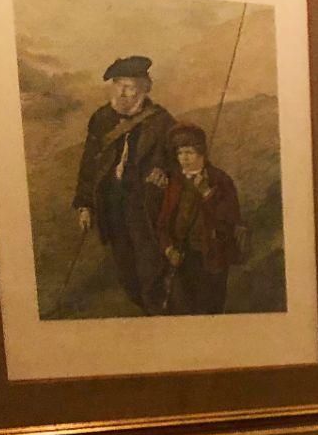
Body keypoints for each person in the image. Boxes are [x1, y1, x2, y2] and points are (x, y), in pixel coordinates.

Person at [72, 56, 176, 311]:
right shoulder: (101, 119)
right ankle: (144, 310)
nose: (123, 93)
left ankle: (159, 314)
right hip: (112, 205)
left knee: (150, 264)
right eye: (118, 85)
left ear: (145, 88)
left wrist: (163, 173)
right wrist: (85, 205)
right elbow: (89, 165)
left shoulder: (162, 122)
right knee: (125, 267)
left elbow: (179, 161)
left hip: (145, 207)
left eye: (130, 86)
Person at [156, 123, 243, 315]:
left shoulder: (220, 180)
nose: (184, 159)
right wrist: (168, 249)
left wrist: (207, 194)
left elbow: (230, 220)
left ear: (201, 153)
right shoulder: (175, 182)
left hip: (211, 258)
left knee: (209, 308)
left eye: (189, 152)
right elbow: (163, 223)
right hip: (181, 257)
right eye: (180, 153)